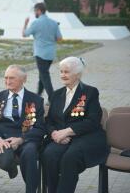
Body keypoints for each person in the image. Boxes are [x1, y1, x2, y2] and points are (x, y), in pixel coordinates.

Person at [0, 65, 45, 193]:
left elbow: (39, 128)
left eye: (12, 78)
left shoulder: (36, 100)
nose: (8, 81)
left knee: (30, 152)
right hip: (1, 139)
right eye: (6, 78)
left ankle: (31, 190)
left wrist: (21, 139)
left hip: (24, 139)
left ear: (24, 79)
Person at [42, 56, 109, 193]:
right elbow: (49, 121)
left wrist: (67, 131)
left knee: (70, 158)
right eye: (61, 72)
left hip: (85, 137)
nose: (62, 75)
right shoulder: (56, 94)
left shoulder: (90, 92)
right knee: (49, 154)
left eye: (66, 72)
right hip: (60, 137)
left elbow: (93, 121)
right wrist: (54, 134)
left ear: (77, 74)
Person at [22, 2, 62, 102]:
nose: (35, 13)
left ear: (39, 10)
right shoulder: (54, 22)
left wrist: (25, 23)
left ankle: (53, 98)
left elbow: (25, 34)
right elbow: (59, 38)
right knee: (42, 75)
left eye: (35, 11)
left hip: (40, 53)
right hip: (50, 54)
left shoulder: (36, 23)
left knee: (44, 75)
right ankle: (38, 95)